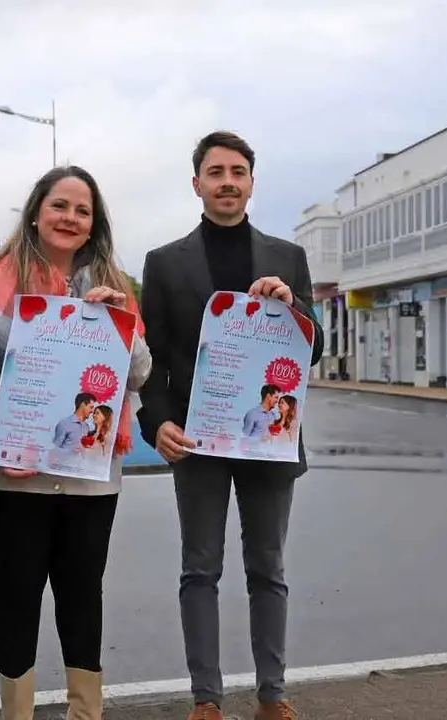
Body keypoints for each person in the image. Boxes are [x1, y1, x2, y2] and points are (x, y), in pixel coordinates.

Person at [0, 165, 151, 720]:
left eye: (82, 211)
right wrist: (0, 445)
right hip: (9, 475)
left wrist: (119, 326)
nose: (70, 218)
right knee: (16, 597)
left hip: (89, 475)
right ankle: (18, 714)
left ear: (94, 224)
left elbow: (136, 374)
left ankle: (86, 714)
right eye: (60, 205)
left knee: (83, 596)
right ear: (36, 212)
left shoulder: (113, 284)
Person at [137, 131, 324, 720]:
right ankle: (206, 700)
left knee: (268, 567)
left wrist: (290, 307)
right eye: (215, 172)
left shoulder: (287, 258)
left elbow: (311, 351)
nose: (227, 181)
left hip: (270, 439)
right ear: (197, 184)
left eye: (237, 171)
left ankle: (273, 694)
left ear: (251, 182)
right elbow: (154, 357)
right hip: (199, 439)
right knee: (200, 569)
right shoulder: (165, 262)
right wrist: (157, 424)